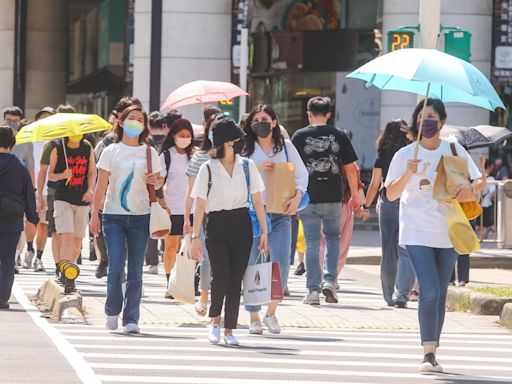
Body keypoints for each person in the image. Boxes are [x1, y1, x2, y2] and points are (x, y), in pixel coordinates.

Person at [385, 98, 484, 373]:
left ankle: (434, 349)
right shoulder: (405, 154)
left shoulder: (454, 149)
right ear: (415, 121)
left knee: (439, 294)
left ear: (441, 121)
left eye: (432, 116)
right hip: (417, 232)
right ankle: (427, 353)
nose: (426, 121)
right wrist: (408, 173)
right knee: (428, 289)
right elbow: (391, 194)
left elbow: (474, 181)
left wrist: (471, 189)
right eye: (422, 116)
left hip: (449, 230)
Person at [191, 115, 268, 346]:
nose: (242, 142)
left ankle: (229, 329)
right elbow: (200, 204)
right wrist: (195, 237)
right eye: (238, 138)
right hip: (216, 223)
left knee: (236, 280)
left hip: (242, 223)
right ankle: (215, 321)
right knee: (221, 275)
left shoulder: (248, 166)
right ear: (227, 142)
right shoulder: (208, 168)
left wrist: (264, 232)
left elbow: (257, 200)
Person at [90, 104, 162, 334]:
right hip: (113, 217)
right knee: (116, 265)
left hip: (141, 216)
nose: (135, 122)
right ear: (120, 122)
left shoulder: (150, 152)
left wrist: (156, 181)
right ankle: (112, 311)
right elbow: (100, 186)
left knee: (136, 270)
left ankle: (131, 318)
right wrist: (94, 215)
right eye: (131, 118)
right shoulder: (111, 151)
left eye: (140, 119)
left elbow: (159, 183)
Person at [241, 104, 308, 334]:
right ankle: (253, 316)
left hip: (281, 214)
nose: (261, 122)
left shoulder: (286, 147)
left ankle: (271, 313)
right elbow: (236, 175)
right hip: (253, 215)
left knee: (280, 264)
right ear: (251, 125)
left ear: (274, 122)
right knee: (253, 264)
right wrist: (256, 167)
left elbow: (302, 174)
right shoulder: (246, 149)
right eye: (256, 119)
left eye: (265, 118)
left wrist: (298, 196)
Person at [291, 96, 360, 305]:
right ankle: (330, 280)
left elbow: (291, 168)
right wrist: (356, 194)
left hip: (308, 196)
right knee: (333, 239)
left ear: (308, 114)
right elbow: (350, 167)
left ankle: (312, 290)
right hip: (332, 195)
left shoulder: (299, 136)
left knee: (312, 242)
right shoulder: (339, 135)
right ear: (329, 114)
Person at [365, 119, 416, 308]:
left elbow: (375, 184)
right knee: (406, 249)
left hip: (388, 202)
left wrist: (366, 204)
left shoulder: (383, 155)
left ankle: (389, 295)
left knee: (388, 251)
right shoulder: (412, 155)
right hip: (409, 202)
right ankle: (401, 293)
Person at [93, 96, 143, 279]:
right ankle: (106, 260)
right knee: (105, 238)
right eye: (130, 114)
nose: (135, 120)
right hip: (110, 200)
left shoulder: (146, 146)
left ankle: (121, 272)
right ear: (121, 116)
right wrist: (97, 198)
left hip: (137, 206)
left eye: (139, 116)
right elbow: (97, 171)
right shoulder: (108, 143)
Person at [184, 107, 221, 316]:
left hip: (229, 213)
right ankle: (204, 296)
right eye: (214, 128)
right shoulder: (199, 157)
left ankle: (218, 299)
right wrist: (187, 219)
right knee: (207, 257)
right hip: (205, 214)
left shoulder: (237, 158)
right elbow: (190, 192)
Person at [48, 133, 96, 291]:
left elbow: (92, 172)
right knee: (66, 236)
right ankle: (67, 275)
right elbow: (51, 175)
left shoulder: (87, 146)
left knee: (77, 241)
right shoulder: (58, 147)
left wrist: (90, 190)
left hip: (82, 199)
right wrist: (63, 175)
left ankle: (70, 269)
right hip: (63, 198)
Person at [0, 125, 38, 309]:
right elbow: (28, 193)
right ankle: (2, 298)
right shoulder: (19, 166)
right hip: (11, 218)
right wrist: (33, 217)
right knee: (7, 260)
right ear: (12, 144)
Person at [39, 104, 77, 278]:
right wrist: (40, 194)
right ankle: (58, 266)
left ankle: (68, 266)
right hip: (55, 192)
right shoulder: (52, 144)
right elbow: (43, 171)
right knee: (57, 232)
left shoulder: (85, 142)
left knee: (72, 235)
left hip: (78, 192)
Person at [158, 117, 195, 291]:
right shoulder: (166, 156)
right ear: (173, 136)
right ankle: (169, 283)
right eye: (182, 135)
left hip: (193, 209)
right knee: (171, 247)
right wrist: (162, 203)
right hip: (172, 208)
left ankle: (188, 282)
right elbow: (159, 182)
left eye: (188, 135)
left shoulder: (195, 155)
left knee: (190, 248)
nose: (185, 138)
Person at [3, 107, 35, 272]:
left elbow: (30, 171)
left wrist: (33, 196)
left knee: (18, 227)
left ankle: (15, 257)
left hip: (17, 197)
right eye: (9, 120)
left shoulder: (26, 144)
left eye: (16, 121)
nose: (12, 124)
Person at [143, 110, 170, 275]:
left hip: (149, 189)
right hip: (159, 187)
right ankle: (164, 256)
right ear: (165, 126)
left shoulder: (149, 143)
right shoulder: (165, 142)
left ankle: (152, 261)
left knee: (152, 224)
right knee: (162, 223)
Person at [31, 107, 56, 272]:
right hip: (31, 189)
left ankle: (38, 257)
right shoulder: (30, 140)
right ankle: (26, 249)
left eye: (50, 118)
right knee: (29, 223)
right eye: (43, 118)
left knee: (43, 225)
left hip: (51, 190)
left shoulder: (57, 143)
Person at [480, 159, 496, 240]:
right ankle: (482, 243)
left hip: (477, 205)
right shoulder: (491, 179)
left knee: (477, 225)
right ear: (490, 167)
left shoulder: (478, 177)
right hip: (486, 205)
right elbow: (493, 194)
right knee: (484, 226)